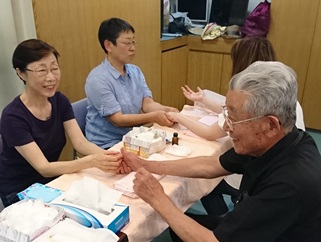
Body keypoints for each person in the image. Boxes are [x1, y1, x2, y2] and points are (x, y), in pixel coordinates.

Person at [121, 61, 321, 242]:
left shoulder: (290, 183)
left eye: (234, 118)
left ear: (270, 125)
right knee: (179, 230)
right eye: (227, 114)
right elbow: (209, 165)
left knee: (179, 226)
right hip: (261, 226)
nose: (226, 126)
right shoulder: (278, 141)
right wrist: (146, 165)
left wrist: (157, 198)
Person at [167, 36, 306, 216]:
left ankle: (221, 219)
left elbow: (211, 134)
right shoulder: (283, 98)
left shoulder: (283, 182)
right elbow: (243, 113)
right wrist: (204, 100)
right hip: (271, 170)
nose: (229, 125)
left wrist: (179, 117)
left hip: (252, 176)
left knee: (204, 183)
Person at [0, 39, 128, 207]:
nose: (51, 77)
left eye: (54, 68)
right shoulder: (12, 116)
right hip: (21, 190)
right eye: (41, 71)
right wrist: (91, 162)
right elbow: (43, 167)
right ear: (21, 73)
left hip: (53, 181)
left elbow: (80, 143)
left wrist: (112, 159)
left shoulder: (59, 101)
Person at [84, 17, 178, 149]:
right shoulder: (98, 79)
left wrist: (166, 110)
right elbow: (117, 120)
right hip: (106, 145)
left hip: (132, 138)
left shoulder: (135, 72)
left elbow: (147, 104)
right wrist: (153, 117)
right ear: (108, 45)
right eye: (127, 43)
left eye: (134, 42)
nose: (133, 48)